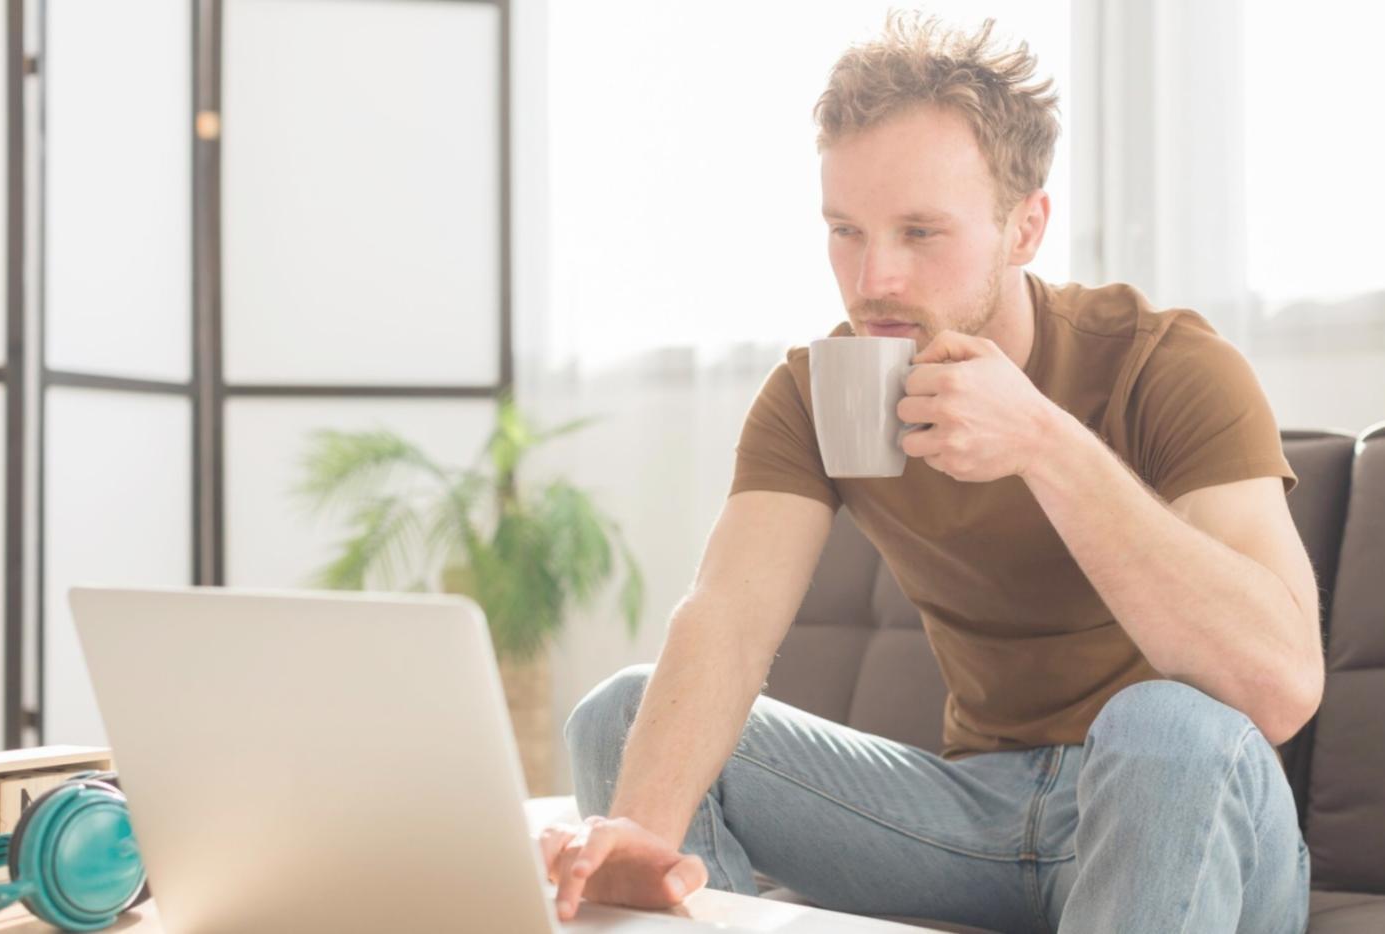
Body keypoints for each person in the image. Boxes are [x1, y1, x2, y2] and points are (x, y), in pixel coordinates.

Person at [538, 11, 1322, 933]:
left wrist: (1044, 442)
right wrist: (639, 833)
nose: (874, 280)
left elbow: (1280, 686)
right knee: (621, 715)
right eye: (846, 230)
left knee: (1166, 726)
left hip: (1184, 806)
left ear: (1025, 227)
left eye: (919, 232)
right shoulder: (819, 393)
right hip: (970, 819)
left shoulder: (1168, 365)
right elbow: (727, 618)